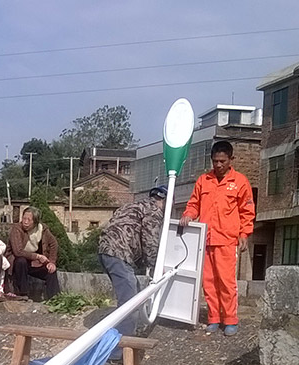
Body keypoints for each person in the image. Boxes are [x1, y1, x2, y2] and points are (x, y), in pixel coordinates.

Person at [180, 140, 255, 336]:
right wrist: (188, 214)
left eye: (222, 161)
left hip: (226, 240)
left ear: (231, 159)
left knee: (226, 282)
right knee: (209, 281)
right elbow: (194, 203)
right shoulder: (204, 180)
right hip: (205, 240)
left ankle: (230, 319)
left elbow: (247, 211)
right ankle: (213, 318)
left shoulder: (240, 182)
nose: (218, 165)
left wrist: (244, 234)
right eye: (215, 161)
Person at [97, 186, 167, 349]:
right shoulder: (153, 211)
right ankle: (120, 350)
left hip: (104, 251)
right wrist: (156, 265)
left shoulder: (132, 206)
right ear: (163, 201)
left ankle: (123, 340)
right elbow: (150, 242)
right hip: (118, 253)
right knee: (129, 304)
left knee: (133, 291)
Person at [6, 207, 60, 299]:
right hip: (18, 262)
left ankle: (55, 298)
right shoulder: (17, 229)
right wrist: (37, 256)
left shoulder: (42, 229)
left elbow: (53, 243)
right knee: (21, 261)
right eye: (24, 218)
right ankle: (23, 293)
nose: (25, 222)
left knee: (50, 270)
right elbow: (18, 251)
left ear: (35, 222)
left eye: (29, 220)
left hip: (34, 263)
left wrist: (52, 262)